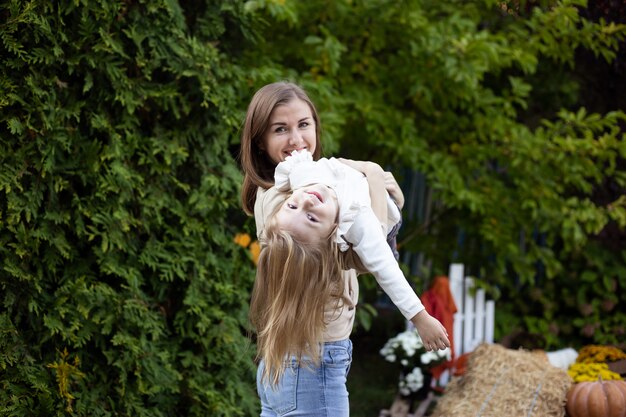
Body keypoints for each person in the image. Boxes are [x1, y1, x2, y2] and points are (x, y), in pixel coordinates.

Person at [239, 81, 447, 417]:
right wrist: (374, 177)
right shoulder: (281, 201)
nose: (296, 139)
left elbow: (355, 184)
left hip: (288, 361)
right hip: (312, 361)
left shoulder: (303, 183)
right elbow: (373, 253)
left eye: (303, 125)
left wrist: (370, 179)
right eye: (280, 129)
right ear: (260, 142)